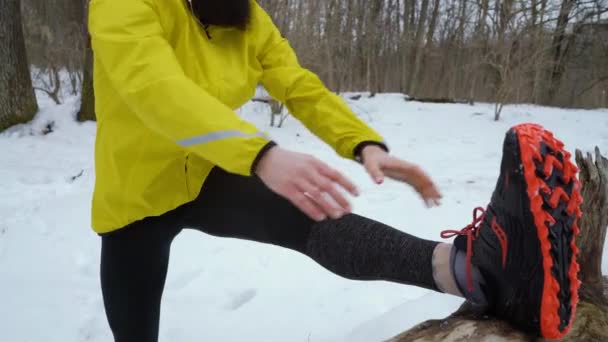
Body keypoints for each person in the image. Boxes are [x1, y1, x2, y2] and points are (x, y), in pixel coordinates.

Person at [88, 0, 582, 341]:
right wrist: (260, 154)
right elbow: (154, 89)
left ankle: (477, 272)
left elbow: (298, 86)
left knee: (316, 214)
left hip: (209, 171)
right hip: (137, 195)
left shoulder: (247, 18)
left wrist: (363, 143)